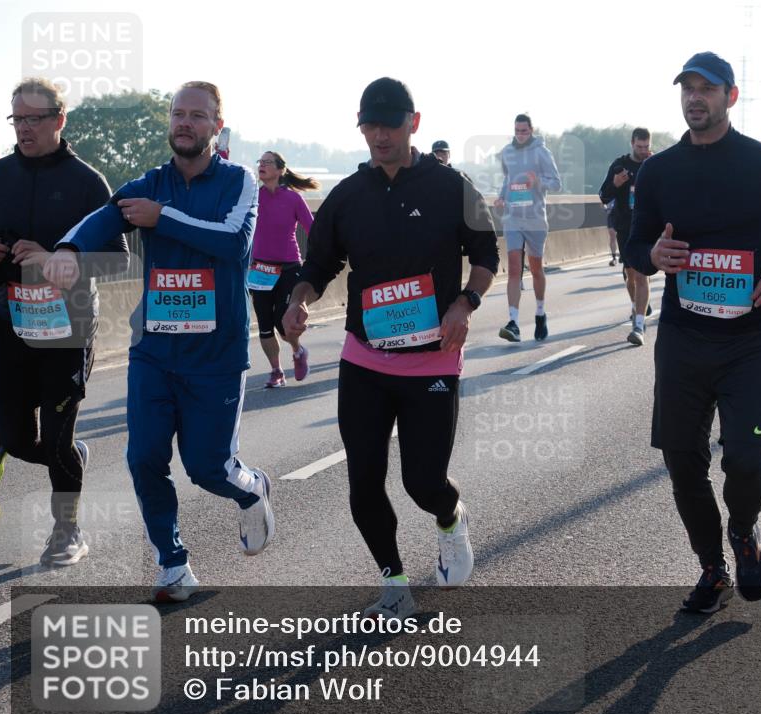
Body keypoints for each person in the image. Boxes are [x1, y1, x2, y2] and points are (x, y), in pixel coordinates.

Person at [46, 81, 274, 601]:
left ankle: (252, 489)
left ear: (217, 126)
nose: (184, 123)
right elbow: (102, 217)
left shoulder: (240, 182)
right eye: (177, 114)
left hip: (216, 356)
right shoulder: (148, 184)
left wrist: (163, 217)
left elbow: (234, 243)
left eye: (197, 115)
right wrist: (66, 248)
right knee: (144, 457)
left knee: (208, 468)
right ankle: (172, 564)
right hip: (153, 350)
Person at [283, 78, 499, 620]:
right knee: (363, 480)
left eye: (390, 124)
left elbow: (487, 254)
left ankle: (451, 519)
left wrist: (464, 304)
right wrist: (300, 300)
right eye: (369, 125)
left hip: (432, 357)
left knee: (423, 482)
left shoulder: (451, 186)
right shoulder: (348, 196)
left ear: (414, 123)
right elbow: (320, 263)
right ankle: (393, 579)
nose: (379, 135)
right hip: (365, 360)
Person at [626, 52, 761, 614]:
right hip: (684, 340)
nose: (694, 98)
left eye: (706, 88)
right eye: (687, 88)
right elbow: (637, 244)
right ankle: (713, 568)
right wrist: (652, 255)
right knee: (683, 460)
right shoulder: (658, 171)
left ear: (731, 96)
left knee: (747, 461)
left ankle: (744, 530)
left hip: (750, 340)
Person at [0, 78, 129, 563]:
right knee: (15, 439)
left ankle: (68, 531)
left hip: (68, 327)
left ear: (59, 119)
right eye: (17, 119)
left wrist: (55, 259)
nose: (24, 129)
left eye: (34, 119)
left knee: (56, 436)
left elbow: (118, 260)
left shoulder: (86, 181)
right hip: (9, 324)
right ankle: (67, 456)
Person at [251, 151, 317, 388]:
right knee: (265, 325)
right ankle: (276, 371)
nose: (262, 166)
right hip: (259, 270)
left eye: (268, 163)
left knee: (283, 321)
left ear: (280, 170)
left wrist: (316, 263)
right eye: (260, 162)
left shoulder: (293, 199)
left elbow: (314, 231)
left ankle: (298, 351)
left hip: (289, 268)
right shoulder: (252, 197)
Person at [494, 114, 561, 342]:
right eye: (517, 130)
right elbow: (508, 180)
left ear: (531, 130)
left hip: (535, 219)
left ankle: (540, 314)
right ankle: (513, 322)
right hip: (513, 217)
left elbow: (556, 182)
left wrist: (538, 182)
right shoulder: (508, 152)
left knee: (535, 269)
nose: (520, 135)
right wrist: (501, 198)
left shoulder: (541, 152)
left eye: (524, 131)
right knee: (514, 269)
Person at [600, 128, 654, 346]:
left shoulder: (654, 163)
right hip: (625, 228)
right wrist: (615, 184)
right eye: (639, 147)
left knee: (642, 275)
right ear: (632, 143)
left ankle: (639, 326)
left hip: (647, 227)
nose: (643, 151)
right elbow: (603, 196)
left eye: (646, 146)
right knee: (630, 275)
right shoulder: (619, 165)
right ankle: (636, 306)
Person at [604, 199, 618, 266]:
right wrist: (605, 207)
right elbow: (602, 201)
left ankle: (624, 256)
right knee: (612, 237)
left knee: (623, 235)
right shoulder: (608, 189)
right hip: (611, 215)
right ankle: (614, 257)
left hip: (623, 213)